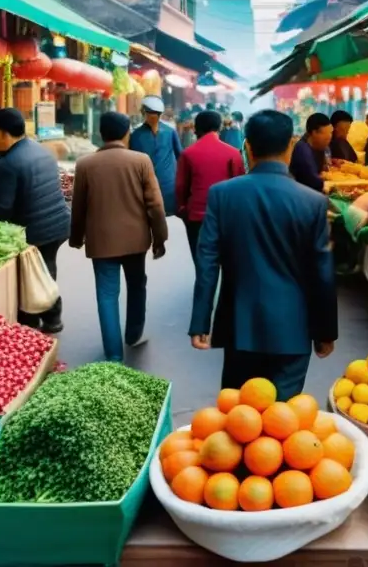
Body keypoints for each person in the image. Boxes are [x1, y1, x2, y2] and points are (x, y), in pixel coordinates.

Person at [188, 110, 338, 400]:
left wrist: (200, 321)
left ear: (247, 147)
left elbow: (207, 261)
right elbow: (322, 273)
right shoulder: (313, 202)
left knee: (238, 421)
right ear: (291, 147)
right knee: (283, 425)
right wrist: (325, 332)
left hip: (239, 327)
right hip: (293, 330)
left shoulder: (222, 195)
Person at [70, 112, 168, 360]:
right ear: (127, 134)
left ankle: (113, 356)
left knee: (106, 294)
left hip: (101, 241)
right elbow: (155, 205)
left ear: (100, 134)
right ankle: (133, 334)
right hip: (136, 240)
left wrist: (76, 237)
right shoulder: (141, 160)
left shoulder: (85, 164)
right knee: (137, 285)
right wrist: (160, 238)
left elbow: (78, 206)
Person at [0, 108, 70, 333]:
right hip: (59, 222)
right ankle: (51, 318)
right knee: (46, 268)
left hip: (35, 229)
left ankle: (31, 320)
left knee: (32, 273)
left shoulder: (9, 162)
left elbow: (3, 207)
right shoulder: (42, 150)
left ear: (3, 133)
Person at [175, 110, 245, 258]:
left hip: (197, 217)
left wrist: (183, 208)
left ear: (196, 129)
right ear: (219, 128)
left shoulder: (188, 154)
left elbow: (181, 187)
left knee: (201, 263)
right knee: (227, 263)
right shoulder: (233, 154)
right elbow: (240, 185)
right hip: (226, 216)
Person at [129, 95, 183, 216]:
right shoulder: (136, 135)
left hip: (160, 186)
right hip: (153, 185)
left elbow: (181, 157)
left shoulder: (169, 132)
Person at [288, 112, 331, 192]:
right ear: (314, 133)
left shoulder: (320, 147)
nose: (328, 141)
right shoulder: (302, 150)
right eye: (326, 139)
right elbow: (314, 182)